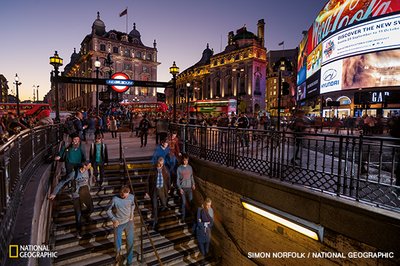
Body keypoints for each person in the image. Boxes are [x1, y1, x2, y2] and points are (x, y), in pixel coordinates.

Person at [49, 163, 94, 239]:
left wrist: (89, 189)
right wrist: (54, 193)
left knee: (91, 209)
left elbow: (89, 180)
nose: (89, 166)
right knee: (78, 214)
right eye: (88, 166)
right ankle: (79, 231)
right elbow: (62, 182)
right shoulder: (74, 174)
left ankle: (84, 215)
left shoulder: (88, 171)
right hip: (76, 195)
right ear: (83, 167)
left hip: (85, 193)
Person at [107, 185, 135, 265]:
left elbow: (133, 205)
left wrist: (132, 214)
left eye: (125, 195)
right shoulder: (115, 199)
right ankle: (118, 257)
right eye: (122, 195)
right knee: (117, 242)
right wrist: (114, 219)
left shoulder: (131, 197)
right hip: (118, 223)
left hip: (129, 222)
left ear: (129, 192)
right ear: (120, 193)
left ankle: (129, 262)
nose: (124, 197)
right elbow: (108, 210)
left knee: (130, 242)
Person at [145, 157, 170, 230]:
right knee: (154, 206)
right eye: (160, 164)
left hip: (162, 189)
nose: (161, 165)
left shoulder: (165, 169)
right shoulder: (153, 169)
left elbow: (168, 179)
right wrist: (146, 191)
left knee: (164, 204)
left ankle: (160, 216)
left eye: (162, 164)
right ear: (157, 162)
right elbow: (147, 180)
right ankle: (155, 221)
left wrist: (168, 188)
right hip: (154, 190)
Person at [176, 154, 195, 223]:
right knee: (183, 203)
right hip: (183, 188)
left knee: (191, 201)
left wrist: (193, 184)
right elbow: (177, 179)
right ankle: (183, 217)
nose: (185, 162)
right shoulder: (179, 168)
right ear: (182, 160)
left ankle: (192, 216)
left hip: (189, 188)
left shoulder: (190, 167)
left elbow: (191, 177)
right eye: (184, 160)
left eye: (187, 160)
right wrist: (179, 188)